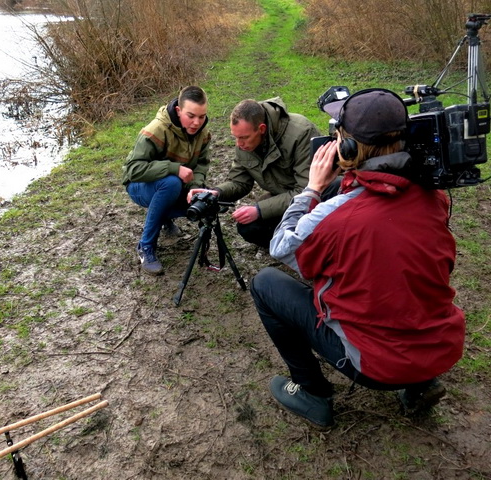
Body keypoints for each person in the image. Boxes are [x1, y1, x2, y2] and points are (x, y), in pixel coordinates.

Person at [250, 88, 465, 428]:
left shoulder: (339, 216)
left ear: (347, 146)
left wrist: (312, 190)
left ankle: (312, 394)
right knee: (400, 274)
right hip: (440, 350)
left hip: (375, 366)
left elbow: (282, 246)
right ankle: (421, 383)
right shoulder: (435, 197)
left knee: (265, 284)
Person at [188, 97, 329, 249]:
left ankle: (311, 249)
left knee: (313, 230)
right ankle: (289, 249)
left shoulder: (301, 133)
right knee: (249, 228)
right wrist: (215, 193)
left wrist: (260, 210)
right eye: (235, 137)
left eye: (244, 138)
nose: (239, 144)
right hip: (283, 199)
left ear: (261, 129)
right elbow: (239, 182)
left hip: (319, 200)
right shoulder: (243, 141)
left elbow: (307, 190)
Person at [123, 86, 211, 275]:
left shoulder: (203, 133)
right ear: (178, 111)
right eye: (191, 115)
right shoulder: (156, 129)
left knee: (204, 200)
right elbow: (133, 170)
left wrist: (195, 188)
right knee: (171, 183)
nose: (197, 122)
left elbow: (201, 165)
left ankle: (165, 217)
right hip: (139, 186)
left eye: (202, 116)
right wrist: (175, 168)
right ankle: (145, 247)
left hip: (172, 185)